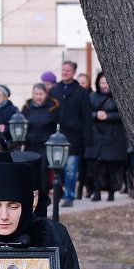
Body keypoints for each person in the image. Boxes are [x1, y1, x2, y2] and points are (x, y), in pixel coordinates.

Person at [48, 61, 91, 205]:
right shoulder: (55, 90)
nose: (65, 72)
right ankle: (58, 192)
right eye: (63, 70)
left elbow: (86, 116)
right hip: (57, 136)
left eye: (68, 70)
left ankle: (69, 196)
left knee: (71, 168)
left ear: (73, 72)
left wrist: (87, 138)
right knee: (57, 167)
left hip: (74, 137)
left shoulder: (81, 92)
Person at [85, 73, 125, 201]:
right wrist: (96, 114)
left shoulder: (118, 97)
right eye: (102, 83)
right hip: (96, 136)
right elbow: (85, 113)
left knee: (112, 167)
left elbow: (123, 115)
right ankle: (96, 191)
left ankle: (111, 193)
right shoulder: (91, 96)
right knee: (95, 167)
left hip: (113, 137)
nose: (104, 86)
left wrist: (108, 116)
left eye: (107, 83)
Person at [20, 83, 59, 159]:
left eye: (41, 94)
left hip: (46, 147)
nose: (38, 97)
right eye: (36, 94)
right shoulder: (27, 107)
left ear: (46, 94)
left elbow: (57, 127)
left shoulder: (53, 108)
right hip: (29, 146)